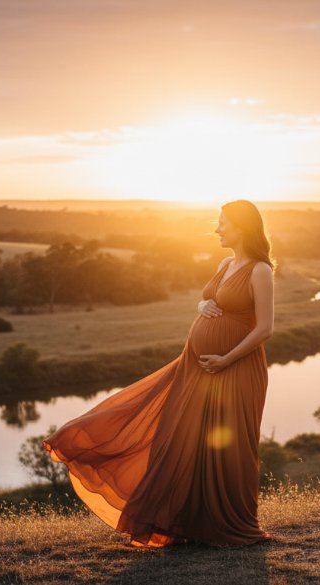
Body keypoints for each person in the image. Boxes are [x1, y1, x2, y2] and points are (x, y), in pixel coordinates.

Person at [43, 199, 277, 548]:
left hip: (236, 369)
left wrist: (226, 359)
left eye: (223, 222)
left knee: (231, 448)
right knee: (184, 439)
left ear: (242, 227)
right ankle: (190, 524)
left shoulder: (260, 270)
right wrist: (201, 304)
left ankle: (233, 526)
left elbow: (265, 328)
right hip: (197, 368)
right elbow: (212, 300)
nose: (216, 229)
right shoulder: (225, 264)